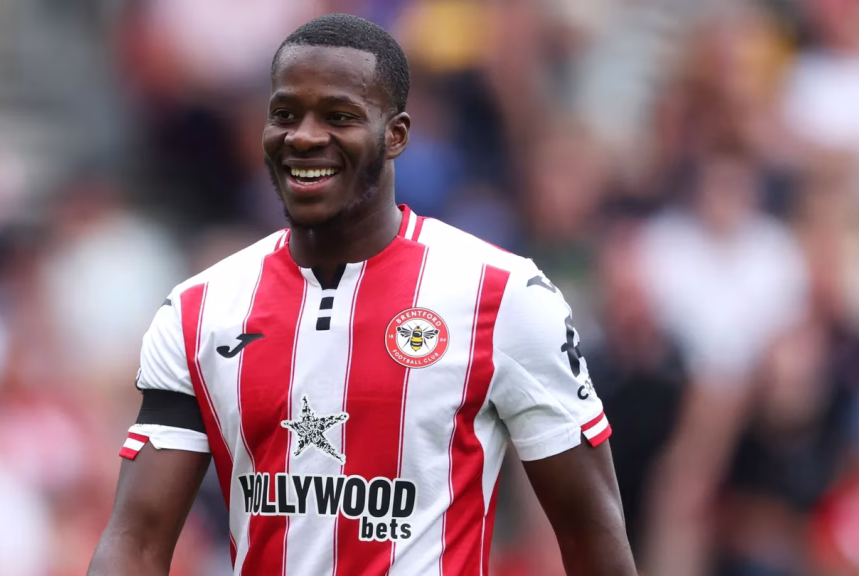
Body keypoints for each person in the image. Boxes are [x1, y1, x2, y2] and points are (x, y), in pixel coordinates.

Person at [88, 13, 635, 576]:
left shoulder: (506, 296)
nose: (303, 136)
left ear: (396, 134)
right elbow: (136, 539)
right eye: (285, 114)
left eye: (339, 116)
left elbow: (591, 529)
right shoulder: (198, 311)